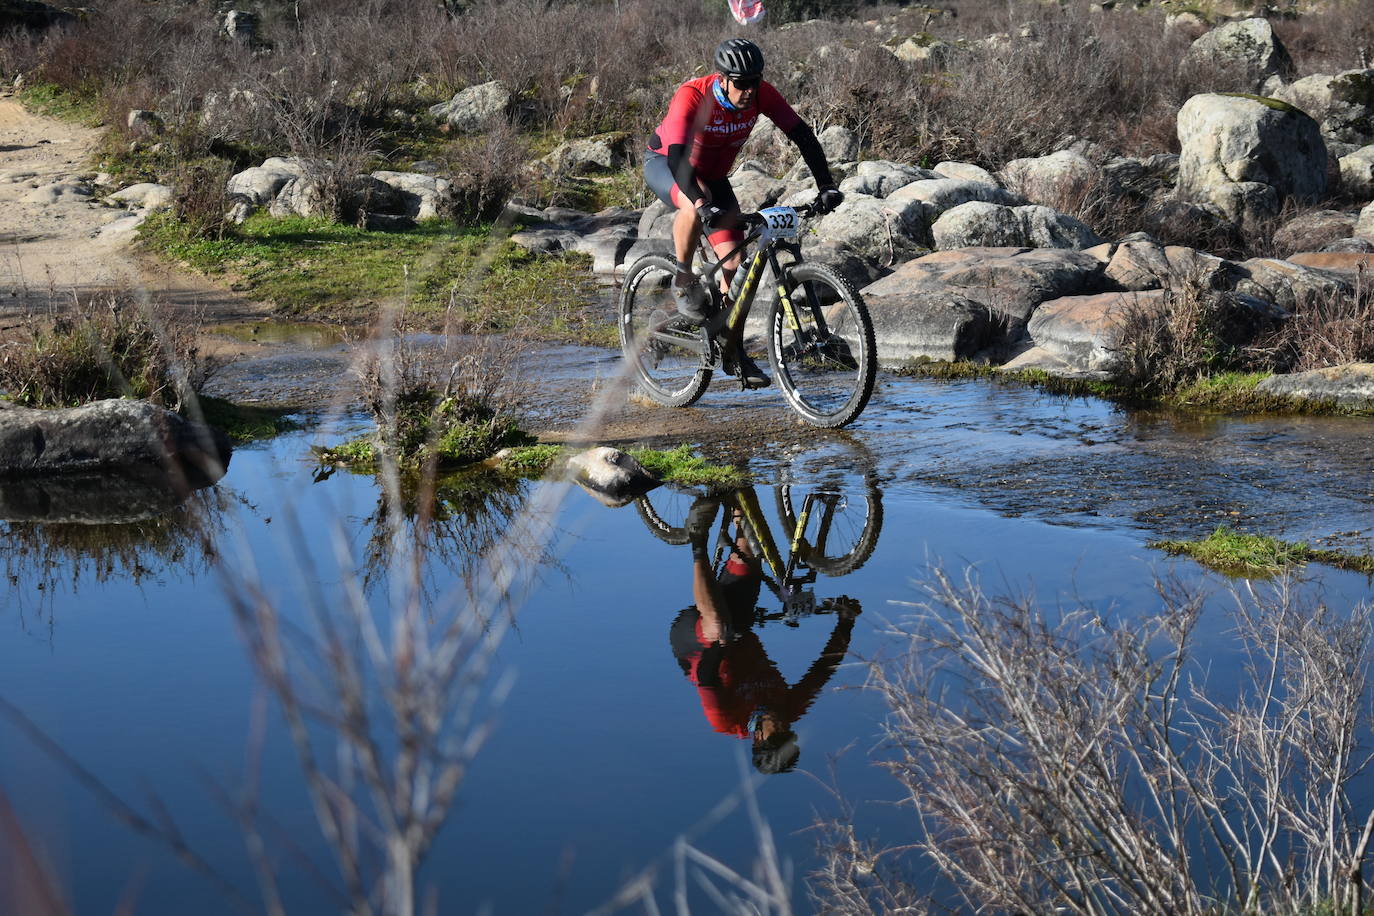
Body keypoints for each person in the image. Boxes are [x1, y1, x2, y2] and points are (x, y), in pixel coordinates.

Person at [643, 37, 845, 388]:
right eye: (741, 83)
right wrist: (702, 204)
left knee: (734, 266)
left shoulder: (761, 93)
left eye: (755, 81)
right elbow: (677, 157)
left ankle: (728, 346)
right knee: (697, 198)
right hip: (668, 165)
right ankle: (682, 276)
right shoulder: (693, 95)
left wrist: (826, 185)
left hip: (715, 176)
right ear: (722, 79)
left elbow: (802, 135)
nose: (750, 90)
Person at [668, 493, 861, 774]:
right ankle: (735, 487)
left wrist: (720, 645)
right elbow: (822, 671)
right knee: (748, 547)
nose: (784, 727)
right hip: (740, 626)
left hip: (696, 644)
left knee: (718, 626)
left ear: (758, 737)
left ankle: (697, 539)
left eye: (778, 735)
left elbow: (706, 677)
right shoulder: (788, 709)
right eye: (788, 734)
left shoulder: (726, 720)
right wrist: (846, 624)